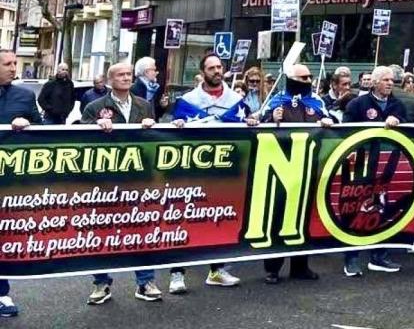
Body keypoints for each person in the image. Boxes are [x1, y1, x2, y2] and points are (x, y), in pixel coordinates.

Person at [167, 54, 254, 292]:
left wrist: (252, 123)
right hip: (193, 173)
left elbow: (243, 131)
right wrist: (177, 126)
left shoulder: (237, 101)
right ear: (202, 71)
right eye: (211, 67)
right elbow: (172, 135)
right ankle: (177, 273)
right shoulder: (187, 101)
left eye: (219, 67)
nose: (217, 71)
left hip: (224, 174)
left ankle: (217, 270)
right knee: (184, 220)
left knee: (221, 219)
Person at [81, 63, 162, 304]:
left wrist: (150, 127)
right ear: (110, 80)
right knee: (102, 232)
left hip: (137, 180)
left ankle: (145, 282)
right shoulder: (95, 107)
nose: (126, 78)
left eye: (128, 74)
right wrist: (94, 126)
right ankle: (101, 284)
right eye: (121, 75)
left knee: (141, 231)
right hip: (104, 182)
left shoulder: (144, 105)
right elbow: (78, 136)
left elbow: (154, 141)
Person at [260, 63, 333, 283]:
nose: (308, 80)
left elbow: (334, 121)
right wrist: (272, 118)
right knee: (279, 218)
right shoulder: (276, 100)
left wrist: (328, 121)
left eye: (310, 76)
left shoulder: (317, 101)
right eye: (303, 77)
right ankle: (272, 268)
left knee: (304, 217)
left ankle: (300, 266)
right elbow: (256, 123)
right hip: (281, 167)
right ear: (291, 79)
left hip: (309, 166)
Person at [342, 66, 407, 276]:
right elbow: (346, 133)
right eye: (386, 80)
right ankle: (351, 258)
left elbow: (409, 129)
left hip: (386, 166)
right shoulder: (357, 104)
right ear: (375, 82)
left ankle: (379, 255)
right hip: (361, 166)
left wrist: (399, 122)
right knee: (355, 210)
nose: (390, 83)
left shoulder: (398, 105)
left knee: (382, 209)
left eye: (392, 80)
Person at [0, 50, 40, 316]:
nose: (14, 68)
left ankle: (2, 294)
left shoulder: (25, 96)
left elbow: (44, 133)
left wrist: (29, 125)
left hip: (9, 182)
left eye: (15, 63)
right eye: (8, 64)